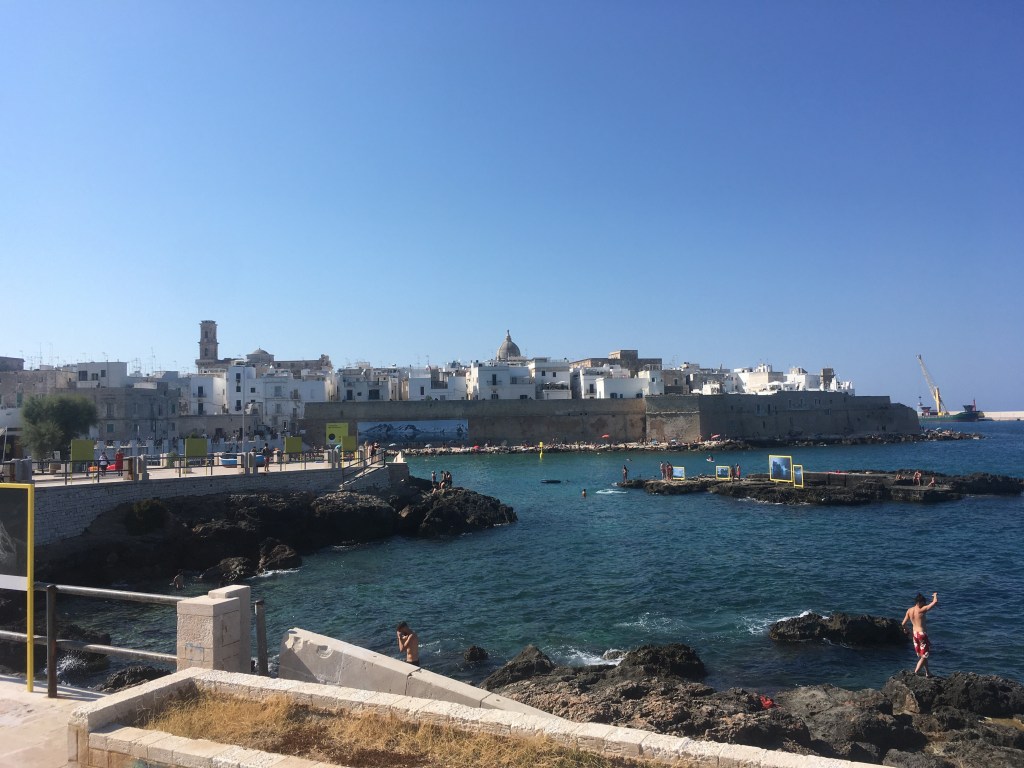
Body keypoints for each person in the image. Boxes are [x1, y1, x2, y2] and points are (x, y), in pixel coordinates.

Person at [901, 592, 938, 677]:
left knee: (922, 655)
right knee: (924, 656)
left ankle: (927, 672)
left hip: (915, 635)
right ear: (919, 602)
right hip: (922, 635)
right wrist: (935, 595)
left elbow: (903, 624)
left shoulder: (909, 610)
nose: (924, 604)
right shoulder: (922, 610)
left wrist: (906, 630)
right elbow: (935, 602)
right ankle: (916, 672)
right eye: (923, 602)